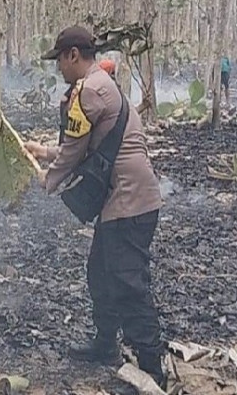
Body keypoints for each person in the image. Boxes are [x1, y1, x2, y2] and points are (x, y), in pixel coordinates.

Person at [23, 27, 166, 387]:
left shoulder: (88, 91)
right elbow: (88, 146)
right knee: (100, 272)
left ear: (73, 55)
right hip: (128, 199)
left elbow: (74, 152)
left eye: (60, 59)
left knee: (128, 282)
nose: (58, 67)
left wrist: (48, 178)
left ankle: (152, 369)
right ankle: (106, 345)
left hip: (129, 202)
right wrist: (45, 152)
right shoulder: (102, 83)